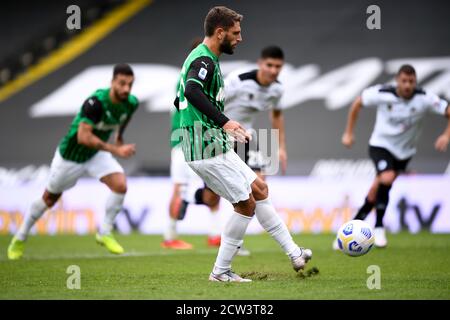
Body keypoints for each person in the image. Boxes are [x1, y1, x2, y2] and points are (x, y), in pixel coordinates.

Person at [174, 6, 312, 282]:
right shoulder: (206, 62)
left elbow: (181, 99)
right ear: (220, 32)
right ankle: (221, 271)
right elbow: (191, 91)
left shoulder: (209, 60)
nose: (241, 38)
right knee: (245, 204)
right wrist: (225, 122)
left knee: (260, 188)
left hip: (224, 140)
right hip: (207, 144)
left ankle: (295, 253)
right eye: (236, 33)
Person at [7, 64, 139, 260]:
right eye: (122, 84)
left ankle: (104, 232)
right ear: (112, 82)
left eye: (130, 84)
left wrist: (119, 135)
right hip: (71, 156)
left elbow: (124, 118)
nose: (126, 89)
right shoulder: (95, 103)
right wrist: (116, 149)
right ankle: (20, 237)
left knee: (120, 185)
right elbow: (83, 138)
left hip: (95, 154)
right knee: (49, 199)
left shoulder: (131, 103)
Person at [335, 64, 450, 249]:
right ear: (397, 80)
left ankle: (348, 231)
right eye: (404, 81)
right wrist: (348, 133)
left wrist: (446, 135)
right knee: (386, 178)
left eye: (411, 81)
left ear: (415, 82)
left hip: (404, 153)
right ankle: (379, 227)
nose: (407, 85)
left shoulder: (425, 98)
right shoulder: (382, 93)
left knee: (375, 191)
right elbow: (357, 102)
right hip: (380, 145)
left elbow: (448, 111)